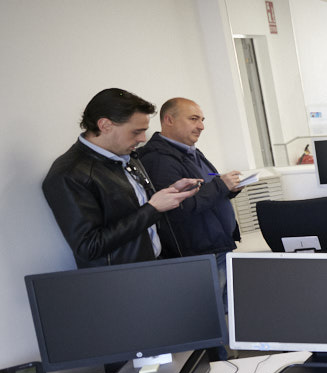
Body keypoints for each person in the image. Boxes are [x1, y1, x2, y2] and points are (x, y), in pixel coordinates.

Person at [43, 88, 200, 268]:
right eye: (136, 132)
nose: (142, 138)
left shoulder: (127, 155)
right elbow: (89, 247)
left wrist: (170, 192)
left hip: (154, 266)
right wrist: (153, 209)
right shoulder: (70, 173)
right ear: (105, 125)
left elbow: (133, 207)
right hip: (122, 282)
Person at [139, 98, 242, 271]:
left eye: (202, 120)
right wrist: (220, 185)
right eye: (194, 119)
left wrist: (229, 188)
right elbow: (179, 207)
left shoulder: (191, 151)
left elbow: (209, 182)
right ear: (169, 120)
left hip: (218, 246)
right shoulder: (158, 159)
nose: (201, 126)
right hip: (198, 254)